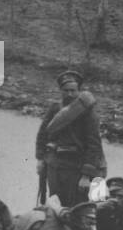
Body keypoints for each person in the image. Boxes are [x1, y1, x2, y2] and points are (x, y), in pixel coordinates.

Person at [35, 70, 105, 207]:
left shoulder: (88, 113)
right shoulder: (55, 108)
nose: (70, 94)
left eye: (73, 90)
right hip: (55, 165)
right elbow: (42, 134)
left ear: (79, 91)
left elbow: (94, 145)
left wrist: (86, 176)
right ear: (61, 91)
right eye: (66, 90)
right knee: (54, 202)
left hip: (76, 167)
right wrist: (40, 159)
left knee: (76, 205)